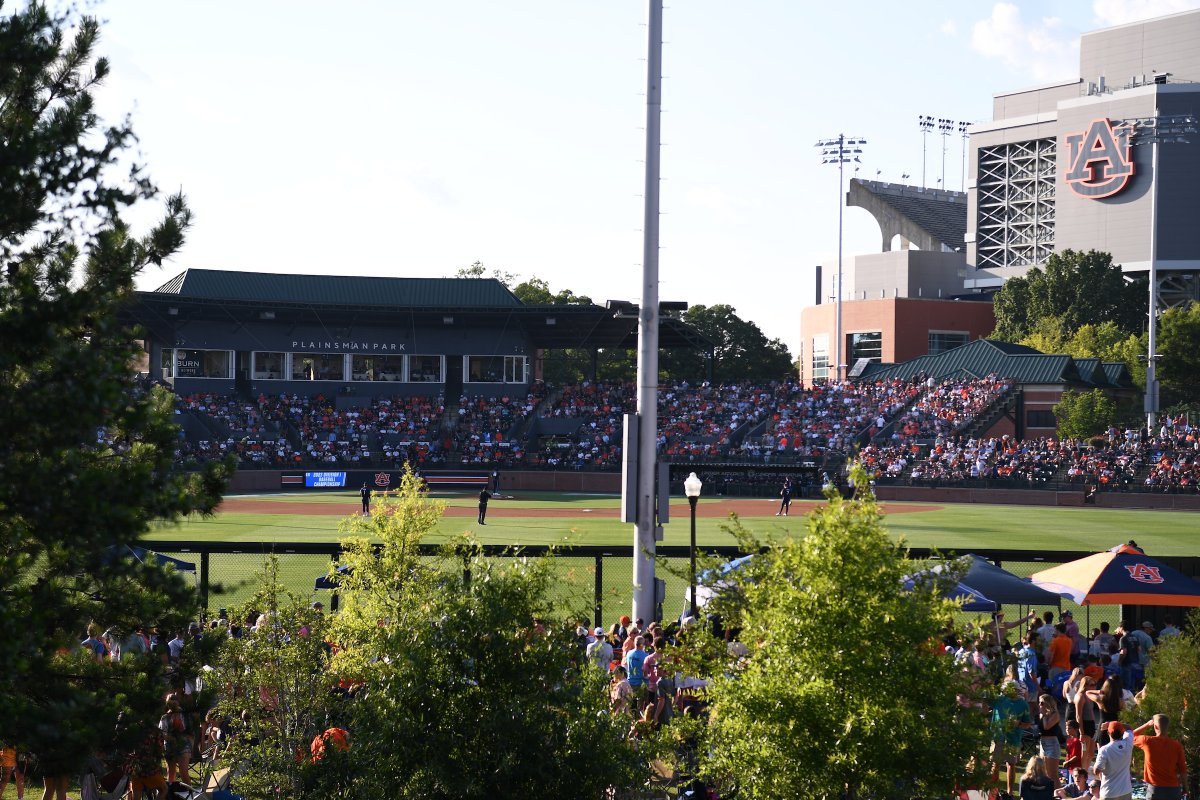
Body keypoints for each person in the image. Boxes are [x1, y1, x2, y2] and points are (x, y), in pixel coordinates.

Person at [991, 680, 1034, 797]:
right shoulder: (999, 699)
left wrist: (1018, 724)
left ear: (1015, 690)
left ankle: (1009, 793)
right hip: (998, 736)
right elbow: (986, 704)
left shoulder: (1023, 704)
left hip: (1013, 738)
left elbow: (1027, 724)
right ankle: (993, 791)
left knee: (1011, 764)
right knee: (995, 764)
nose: (1006, 692)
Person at [1131, 714, 1188, 800]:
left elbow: (1130, 736)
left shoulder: (1147, 741)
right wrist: (1185, 788)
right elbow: (1183, 770)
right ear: (1167, 727)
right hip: (1173, 790)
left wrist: (1146, 725)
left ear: (1155, 727)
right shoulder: (1177, 745)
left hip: (1155, 790)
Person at [1093, 722, 1133, 800]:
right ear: (1122, 732)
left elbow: (1097, 771)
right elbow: (1129, 728)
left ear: (1108, 733)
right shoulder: (1128, 743)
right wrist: (1114, 724)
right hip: (1126, 791)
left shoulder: (1104, 749)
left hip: (1109, 792)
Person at [1036, 693, 1063, 783]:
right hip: (1042, 743)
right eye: (1039, 702)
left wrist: (1044, 715)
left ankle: (1058, 794)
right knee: (1045, 773)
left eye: (1042, 703)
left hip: (1052, 744)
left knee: (1053, 775)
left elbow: (1047, 727)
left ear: (1048, 703)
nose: (1040, 705)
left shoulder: (1055, 714)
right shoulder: (1041, 715)